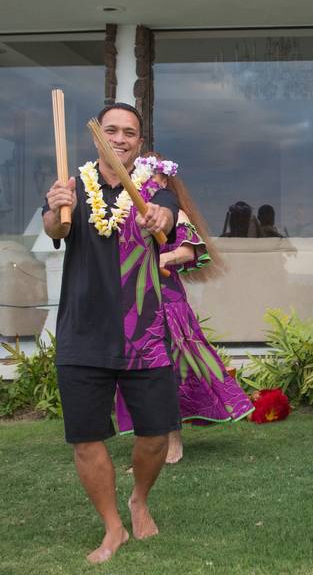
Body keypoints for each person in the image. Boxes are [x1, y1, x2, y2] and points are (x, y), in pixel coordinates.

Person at [42, 103, 178, 564]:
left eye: (130, 133)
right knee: (86, 436)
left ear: (140, 141)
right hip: (83, 328)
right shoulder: (72, 184)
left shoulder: (156, 187)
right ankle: (113, 525)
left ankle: (139, 497)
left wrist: (159, 219)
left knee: (157, 434)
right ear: (97, 136)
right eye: (112, 131)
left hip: (145, 330)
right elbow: (53, 227)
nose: (120, 139)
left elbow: (166, 219)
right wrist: (57, 208)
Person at [113, 153, 253, 464]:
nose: (145, 180)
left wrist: (162, 259)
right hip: (131, 303)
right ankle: (147, 434)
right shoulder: (125, 208)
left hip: (166, 301)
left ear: (163, 179)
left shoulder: (169, 208)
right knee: (137, 368)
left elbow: (189, 250)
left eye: (149, 175)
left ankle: (173, 436)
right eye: (139, 174)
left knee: (172, 367)